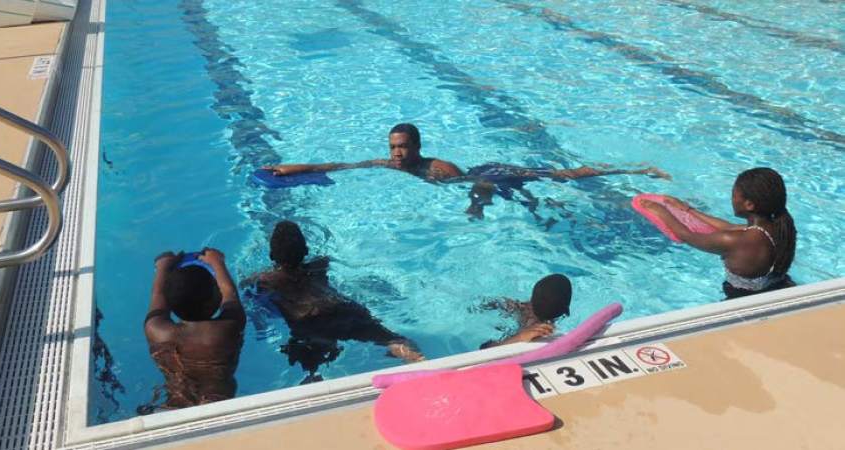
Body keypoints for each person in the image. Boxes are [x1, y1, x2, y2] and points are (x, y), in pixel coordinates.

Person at [264, 123, 670, 218]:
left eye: (403, 147)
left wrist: (477, 206)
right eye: (392, 148)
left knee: (560, 176)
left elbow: (478, 181)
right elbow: (338, 165)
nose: (397, 154)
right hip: (482, 175)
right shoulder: (388, 164)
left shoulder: (439, 168)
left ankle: (634, 168)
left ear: (418, 148)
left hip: (492, 174)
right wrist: (290, 168)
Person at [245, 221, 423, 381]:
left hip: (310, 323)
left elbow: (249, 293)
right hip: (345, 310)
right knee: (392, 340)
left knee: (310, 364)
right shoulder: (320, 265)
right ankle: (421, 364)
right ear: (306, 251)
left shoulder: (264, 280)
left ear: (271, 255)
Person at [638, 167, 797, 299]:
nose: (732, 199)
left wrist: (662, 212)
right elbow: (728, 227)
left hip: (743, 300)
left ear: (749, 204)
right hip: (779, 288)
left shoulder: (734, 241)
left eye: (734, 195)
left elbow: (686, 236)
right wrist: (688, 209)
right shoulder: (776, 228)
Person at [142, 249, 246, 412]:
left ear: (169, 304)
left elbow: (158, 295)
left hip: (175, 404)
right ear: (217, 297)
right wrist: (217, 262)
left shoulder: (157, 331)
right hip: (220, 404)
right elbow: (230, 293)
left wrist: (163, 267)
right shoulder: (227, 328)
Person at [478, 274, 572, 349]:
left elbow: (485, 350)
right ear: (566, 311)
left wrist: (519, 338)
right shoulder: (547, 331)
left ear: (531, 299)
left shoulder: (519, 308)